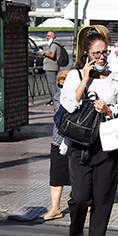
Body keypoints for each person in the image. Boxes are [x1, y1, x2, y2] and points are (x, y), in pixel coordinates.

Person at [60, 31, 118, 236]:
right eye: (96, 53)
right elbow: (68, 106)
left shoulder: (117, 80)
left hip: (108, 146)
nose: (101, 57)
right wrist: (84, 80)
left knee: (102, 201)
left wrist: (110, 111)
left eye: (104, 53)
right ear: (86, 54)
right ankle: (76, 234)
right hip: (79, 145)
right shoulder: (74, 76)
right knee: (80, 198)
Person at [43, 69, 71, 221]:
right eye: (60, 86)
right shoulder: (58, 97)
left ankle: (84, 204)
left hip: (78, 140)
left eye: (64, 85)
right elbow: (61, 114)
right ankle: (55, 208)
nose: (62, 89)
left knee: (79, 175)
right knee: (56, 174)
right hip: (59, 140)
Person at [39, 30, 63, 105]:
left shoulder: (54, 45)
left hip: (51, 67)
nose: (47, 37)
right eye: (47, 36)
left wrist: (44, 53)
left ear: (53, 36)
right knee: (53, 84)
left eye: (49, 36)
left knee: (52, 84)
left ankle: (55, 99)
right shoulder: (54, 44)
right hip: (51, 67)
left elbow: (52, 55)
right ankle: (54, 98)